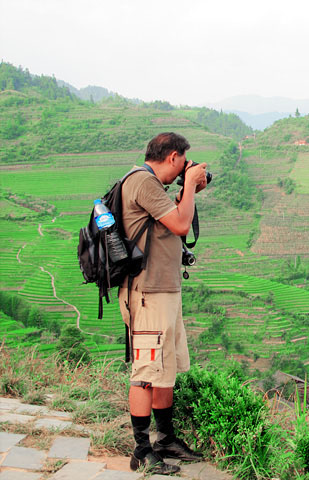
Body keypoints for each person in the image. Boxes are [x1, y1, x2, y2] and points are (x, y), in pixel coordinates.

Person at [118, 132, 208, 474]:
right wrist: (188, 187)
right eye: (184, 163)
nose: (186, 168)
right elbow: (182, 224)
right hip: (147, 294)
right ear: (172, 157)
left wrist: (188, 189)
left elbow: (176, 223)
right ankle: (142, 450)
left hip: (164, 292)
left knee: (164, 371)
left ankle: (165, 439)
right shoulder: (143, 183)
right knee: (145, 374)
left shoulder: (153, 186)